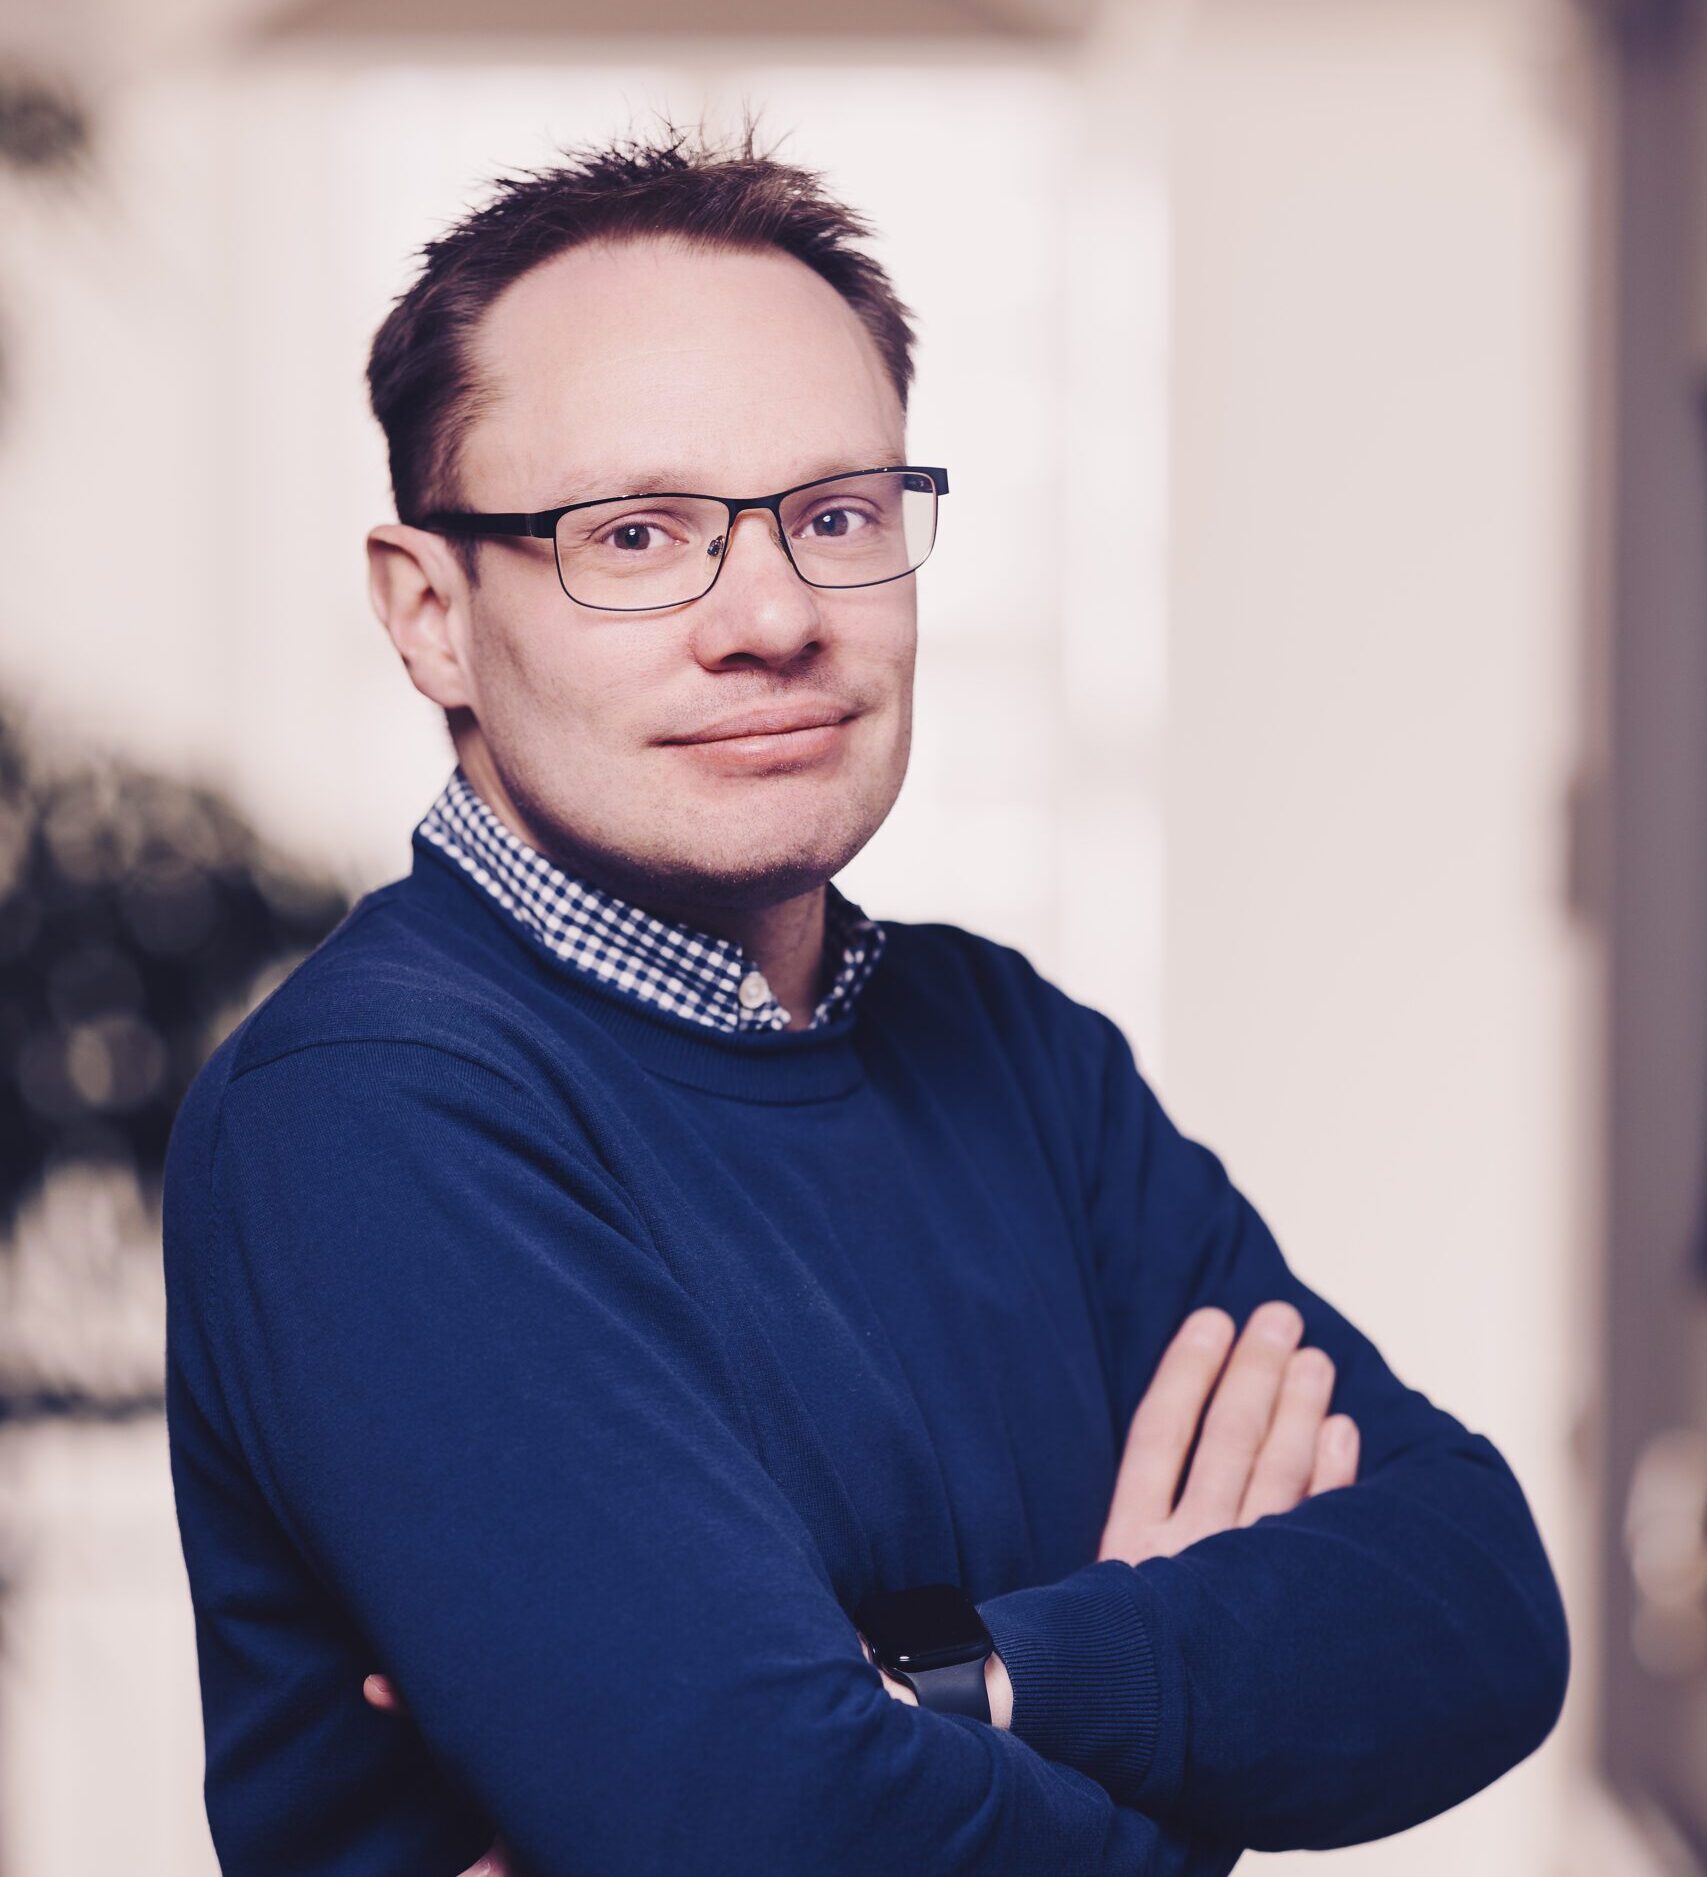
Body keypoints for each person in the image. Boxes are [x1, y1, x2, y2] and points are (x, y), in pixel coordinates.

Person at [162, 116, 1569, 1877]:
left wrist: (946, 1683)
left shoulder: (1014, 1053)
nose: (771, 616)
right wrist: (1171, 1704)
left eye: (836, 515)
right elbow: (767, 1820)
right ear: (430, 611)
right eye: (636, 532)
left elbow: (1477, 1603)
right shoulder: (372, 1110)